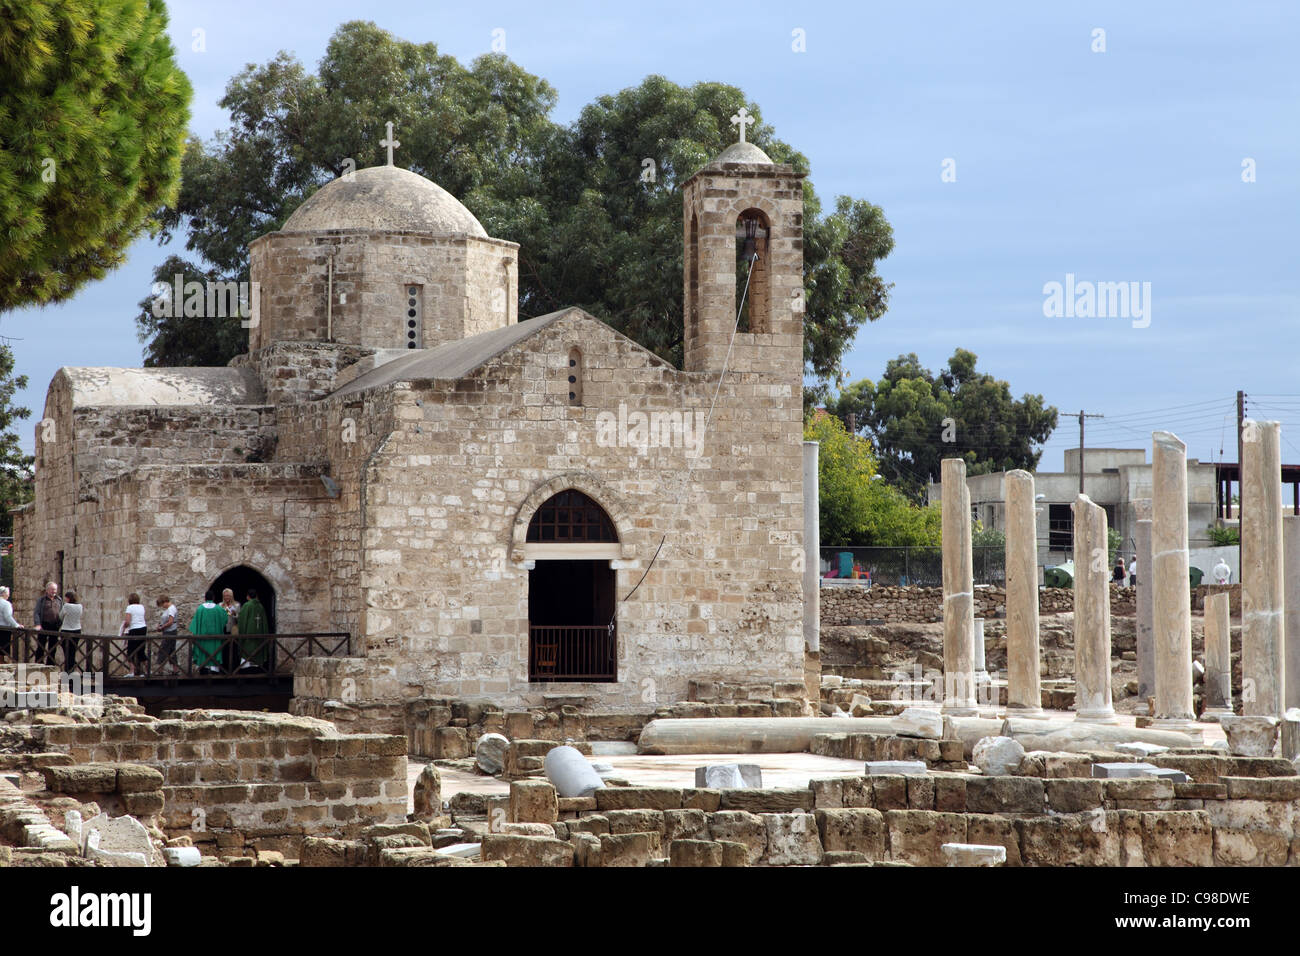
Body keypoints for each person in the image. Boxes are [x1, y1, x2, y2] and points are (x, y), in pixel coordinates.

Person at [189, 592, 228, 674]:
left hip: (202, 640)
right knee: (214, 653)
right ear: (213, 598)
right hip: (215, 639)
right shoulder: (218, 609)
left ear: (205, 598)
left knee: (203, 654)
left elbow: (194, 625)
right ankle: (214, 671)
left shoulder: (200, 609)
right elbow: (225, 619)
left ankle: (203, 669)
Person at [236, 588, 270, 672]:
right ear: (256, 596)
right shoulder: (260, 606)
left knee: (247, 656)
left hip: (248, 638)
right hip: (259, 638)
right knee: (256, 657)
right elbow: (264, 623)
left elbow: (242, 622)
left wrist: (241, 635)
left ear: (248, 596)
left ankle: (246, 675)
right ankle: (257, 673)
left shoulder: (247, 606)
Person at [33, 582, 62, 666]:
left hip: (55, 626)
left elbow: (62, 612)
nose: (54, 591)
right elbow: (36, 613)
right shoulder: (42, 600)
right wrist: (38, 624)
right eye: (52, 589)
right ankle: (38, 663)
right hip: (44, 625)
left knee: (53, 646)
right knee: (41, 645)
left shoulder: (59, 600)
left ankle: (50, 664)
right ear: (47, 590)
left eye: (55, 589)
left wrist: (60, 623)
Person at [122, 593, 148, 677]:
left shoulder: (130, 607)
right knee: (141, 651)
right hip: (143, 628)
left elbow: (128, 621)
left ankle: (131, 671)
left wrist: (123, 628)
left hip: (134, 629)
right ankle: (147, 671)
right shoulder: (142, 607)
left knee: (130, 651)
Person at [58, 590, 83, 671]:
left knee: (66, 652)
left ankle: (67, 671)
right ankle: (71, 671)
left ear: (68, 598)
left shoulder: (66, 606)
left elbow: (61, 616)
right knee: (72, 652)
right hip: (77, 630)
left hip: (66, 630)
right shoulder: (80, 606)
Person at [154, 595, 179, 674]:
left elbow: (170, 621)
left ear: (164, 602)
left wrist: (162, 627)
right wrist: (160, 625)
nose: (162, 607)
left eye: (161, 605)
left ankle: (160, 670)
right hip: (169, 631)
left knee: (163, 649)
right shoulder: (170, 609)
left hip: (170, 632)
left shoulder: (171, 609)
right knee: (171, 651)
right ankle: (175, 669)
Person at [219, 588, 241, 672]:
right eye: (225, 596)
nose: (226, 597)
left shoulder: (237, 605)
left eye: (228, 595)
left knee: (234, 649)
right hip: (223, 629)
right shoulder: (220, 605)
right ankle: (224, 668)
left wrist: (235, 614)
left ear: (231, 596)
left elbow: (240, 618)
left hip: (233, 629)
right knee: (224, 650)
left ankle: (234, 669)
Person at [0, 586, 24, 663]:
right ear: (3, 594)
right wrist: (16, 625)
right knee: (2, 650)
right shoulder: (6, 604)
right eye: (7, 594)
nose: (8, 595)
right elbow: (8, 616)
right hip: (4, 629)